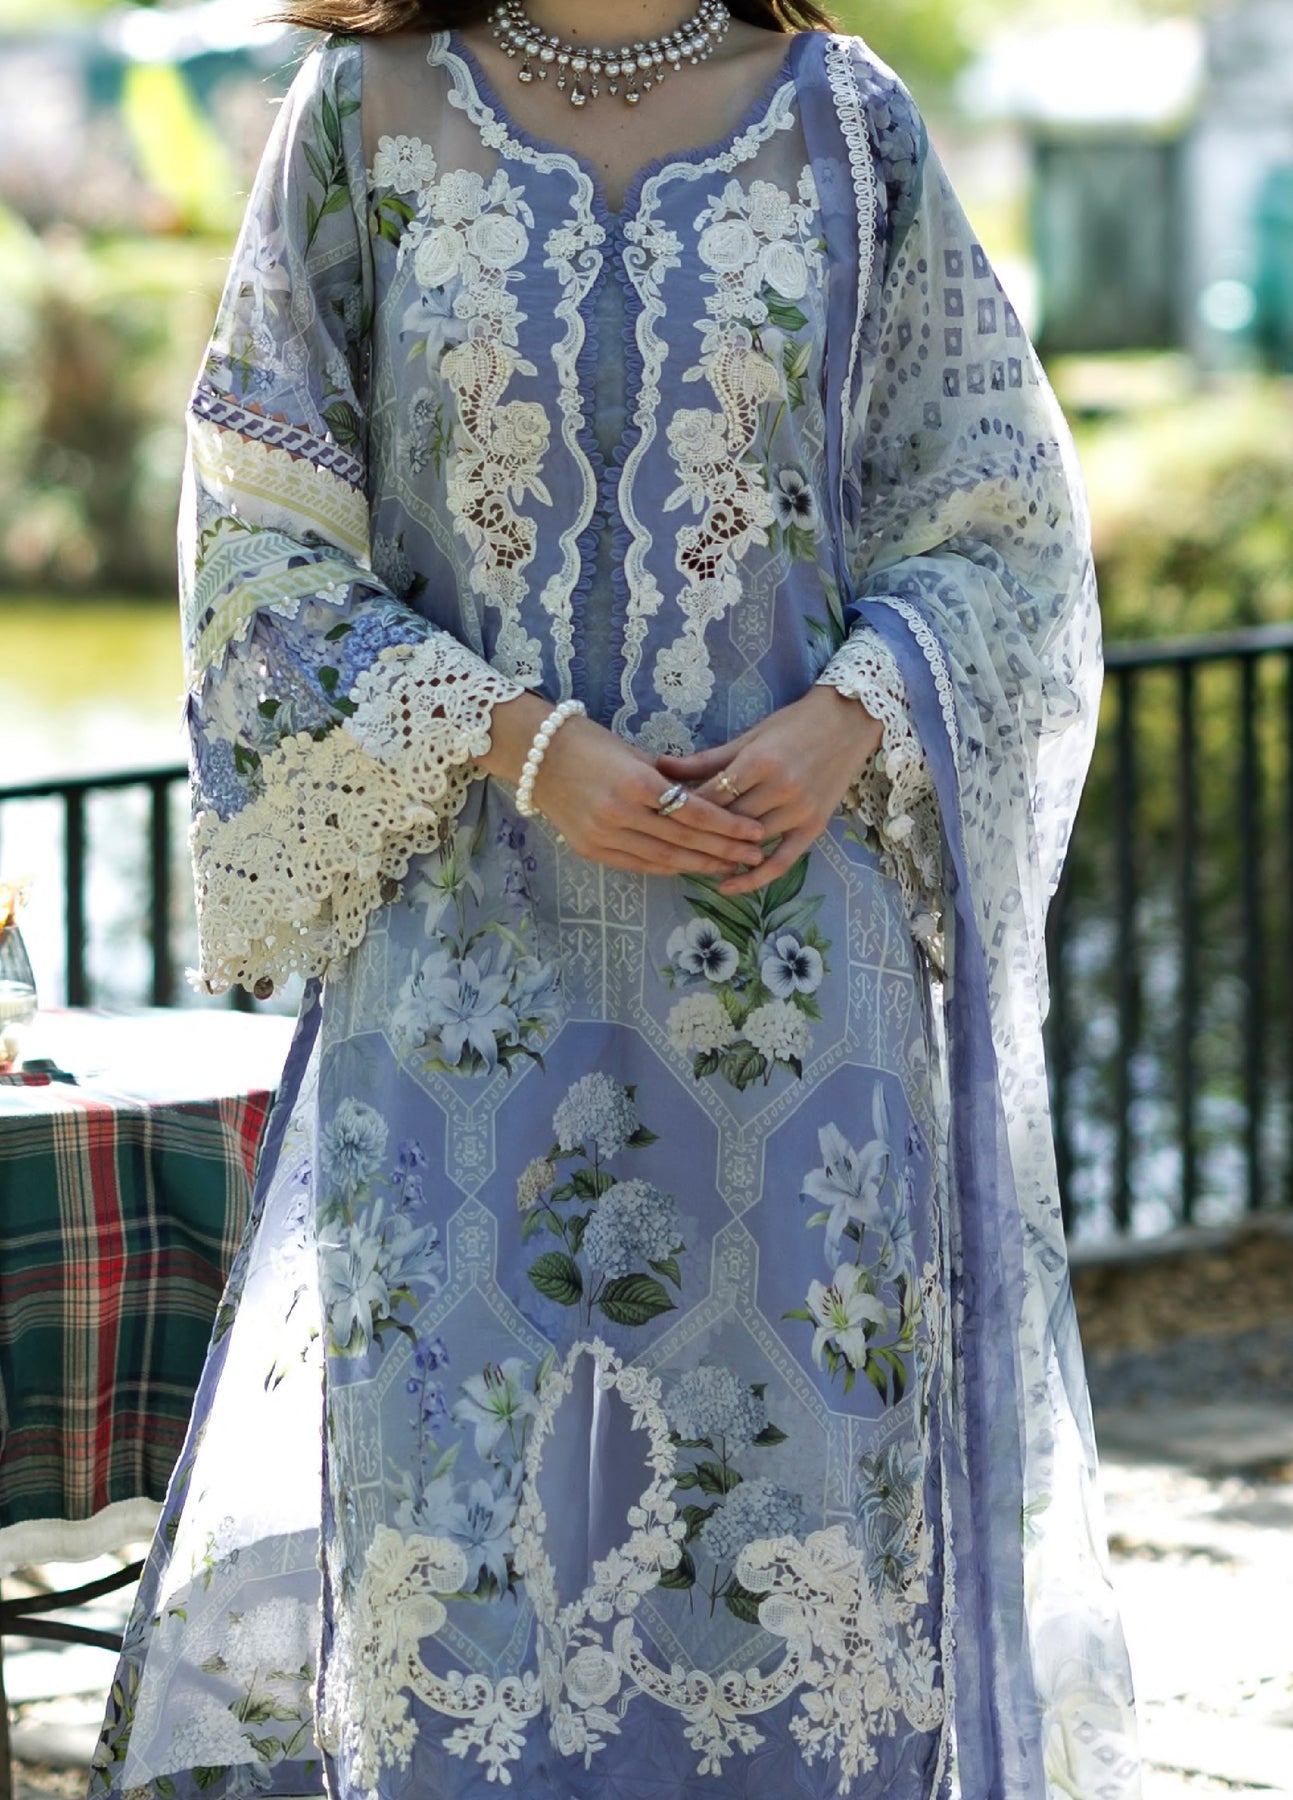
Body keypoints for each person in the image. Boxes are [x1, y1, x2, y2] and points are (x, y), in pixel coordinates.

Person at [90, 4, 1141, 1797]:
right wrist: (514, 741)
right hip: (462, 974)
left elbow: (997, 524)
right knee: (463, 1552)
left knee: (794, 1541)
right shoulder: (358, 115)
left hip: (792, 993)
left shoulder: (847, 124)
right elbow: (256, 541)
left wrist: (848, 717)